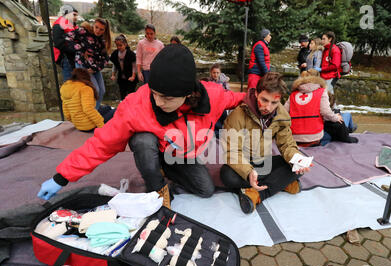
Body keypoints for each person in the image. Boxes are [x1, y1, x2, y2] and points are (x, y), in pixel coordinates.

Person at [37, 44, 246, 210]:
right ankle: (156, 187)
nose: (158, 101)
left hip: (180, 152)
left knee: (206, 189)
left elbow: (240, 99)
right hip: (154, 145)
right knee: (143, 139)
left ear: (188, 93)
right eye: (154, 93)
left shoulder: (214, 95)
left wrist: (267, 103)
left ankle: (166, 167)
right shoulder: (137, 104)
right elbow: (101, 144)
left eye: (167, 97)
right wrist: (61, 177)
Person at [220, 72, 311, 214]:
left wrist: (296, 158)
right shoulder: (238, 114)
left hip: (263, 163)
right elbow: (231, 151)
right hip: (242, 165)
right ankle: (280, 184)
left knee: (297, 165)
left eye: (274, 102)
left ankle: (257, 194)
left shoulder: (281, 115)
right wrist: (248, 172)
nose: (268, 107)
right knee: (227, 176)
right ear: (256, 93)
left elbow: (287, 144)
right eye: (264, 100)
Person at [285, 70, 357, 146]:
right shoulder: (322, 91)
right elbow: (326, 113)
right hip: (314, 137)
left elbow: (283, 113)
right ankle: (350, 128)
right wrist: (336, 117)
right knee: (344, 117)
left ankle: (349, 127)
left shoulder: (293, 95)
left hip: (294, 137)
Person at [66, 18, 111, 110]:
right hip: (82, 65)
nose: (98, 31)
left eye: (101, 29)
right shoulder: (84, 31)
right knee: (95, 90)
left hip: (94, 68)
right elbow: (68, 37)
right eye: (96, 27)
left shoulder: (102, 41)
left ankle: (95, 111)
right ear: (93, 25)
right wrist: (81, 49)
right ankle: (90, 113)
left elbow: (106, 59)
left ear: (105, 30)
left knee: (102, 90)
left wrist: (96, 68)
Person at [52, 4, 79, 81]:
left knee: (74, 81)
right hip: (65, 56)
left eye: (76, 15)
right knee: (69, 81)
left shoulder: (71, 24)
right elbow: (58, 43)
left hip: (72, 56)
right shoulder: (59, 24)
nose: (75, 17)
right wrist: (74, 50)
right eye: (74, 15)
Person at [206, 63, 231, 137]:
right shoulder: (209, 81)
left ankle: (224, 131)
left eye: (217, 73)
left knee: (224, 116)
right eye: (214, 72)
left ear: (220, 73)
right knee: (215, 118)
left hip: (222, 102)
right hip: (214, 102)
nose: (216, 75)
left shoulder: (223, 81)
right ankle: (215, 132)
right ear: (211, 73)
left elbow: (228, 91)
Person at [110, 34, 138, 100]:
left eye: (120, 45)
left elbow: (134, 65)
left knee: (131, 94)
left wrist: (133, 76)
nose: (119, 47)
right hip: (121, 78)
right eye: (117, 46)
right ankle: (123, 106)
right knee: (122, 93)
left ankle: (131, 107)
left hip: (130, 77)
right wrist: (113, 75)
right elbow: (115, 65)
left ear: (125, 44)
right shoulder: (115, 54)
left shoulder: (130, 54)